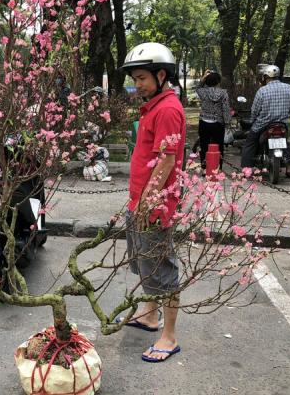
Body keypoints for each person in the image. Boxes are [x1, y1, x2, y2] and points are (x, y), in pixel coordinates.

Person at [119, 42, 186, 363]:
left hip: (154, 206)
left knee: (162, 268)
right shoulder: (153, 106)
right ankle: (149, 314)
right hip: (140, 202)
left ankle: (169, 336)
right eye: (135, 78)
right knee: (145, 263)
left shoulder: (168, 110)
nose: (137, 85)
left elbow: (166, 162)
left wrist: (147, 203)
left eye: (142, 78)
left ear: (162, 75)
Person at [241, 64, 290, 177]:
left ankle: (247, 169)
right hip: (282, 124)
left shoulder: (262, 90)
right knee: (285, 141)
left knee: (250, 143)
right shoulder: (289, 88)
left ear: (265, 77)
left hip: (263, 124)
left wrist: (252, 120)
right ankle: (289, 168)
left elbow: (255, 110)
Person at [196, 71, 230, 170]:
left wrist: (202, 79)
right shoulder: (223, 93)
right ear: (218, 81)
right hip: (218, 123)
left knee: (204, 145)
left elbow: (197, 88)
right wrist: (227, 122)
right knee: (219, 146)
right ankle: (218, 168)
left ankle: (204, 168)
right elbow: (226, 109)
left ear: (206, 81)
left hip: (204, 121)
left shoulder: (203, 92)